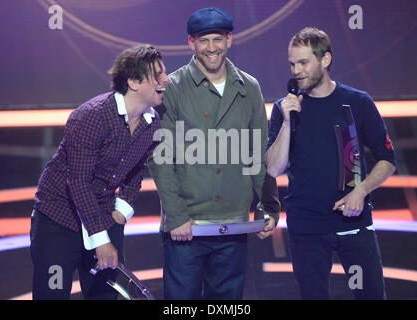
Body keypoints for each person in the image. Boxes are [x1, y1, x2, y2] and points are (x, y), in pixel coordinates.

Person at [148, 7, 279, 300]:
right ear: (191, 43)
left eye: (217, 39)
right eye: (203, 40)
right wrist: (177, 217)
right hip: (187, 228)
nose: (211, 48)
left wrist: (268, 206)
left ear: (229, 40)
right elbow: (160, 159)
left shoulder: (250, 87)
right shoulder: (173, 88)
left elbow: (257, 154)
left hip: (233, 226)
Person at [266, 27, 397, 299]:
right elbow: (273, 168)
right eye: (292, 64)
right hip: (307, 227)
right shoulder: (283, 109)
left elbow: (387, 160)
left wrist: (361, 191)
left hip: (354, 222)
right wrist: (288, 122)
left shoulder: (358, 102)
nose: (297, 70)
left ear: (325, 60)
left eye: (303, 62)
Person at [30, 45, 170, 299]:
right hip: (59, 220)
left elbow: (136, 170)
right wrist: (101, 239)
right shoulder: (92, 116)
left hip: (105, 215)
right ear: (133, 82)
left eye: (164, 73)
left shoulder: (152, 123)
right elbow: (79, 182)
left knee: (105, 296)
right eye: (157, 75)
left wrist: (121, 212)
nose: (166, 80)